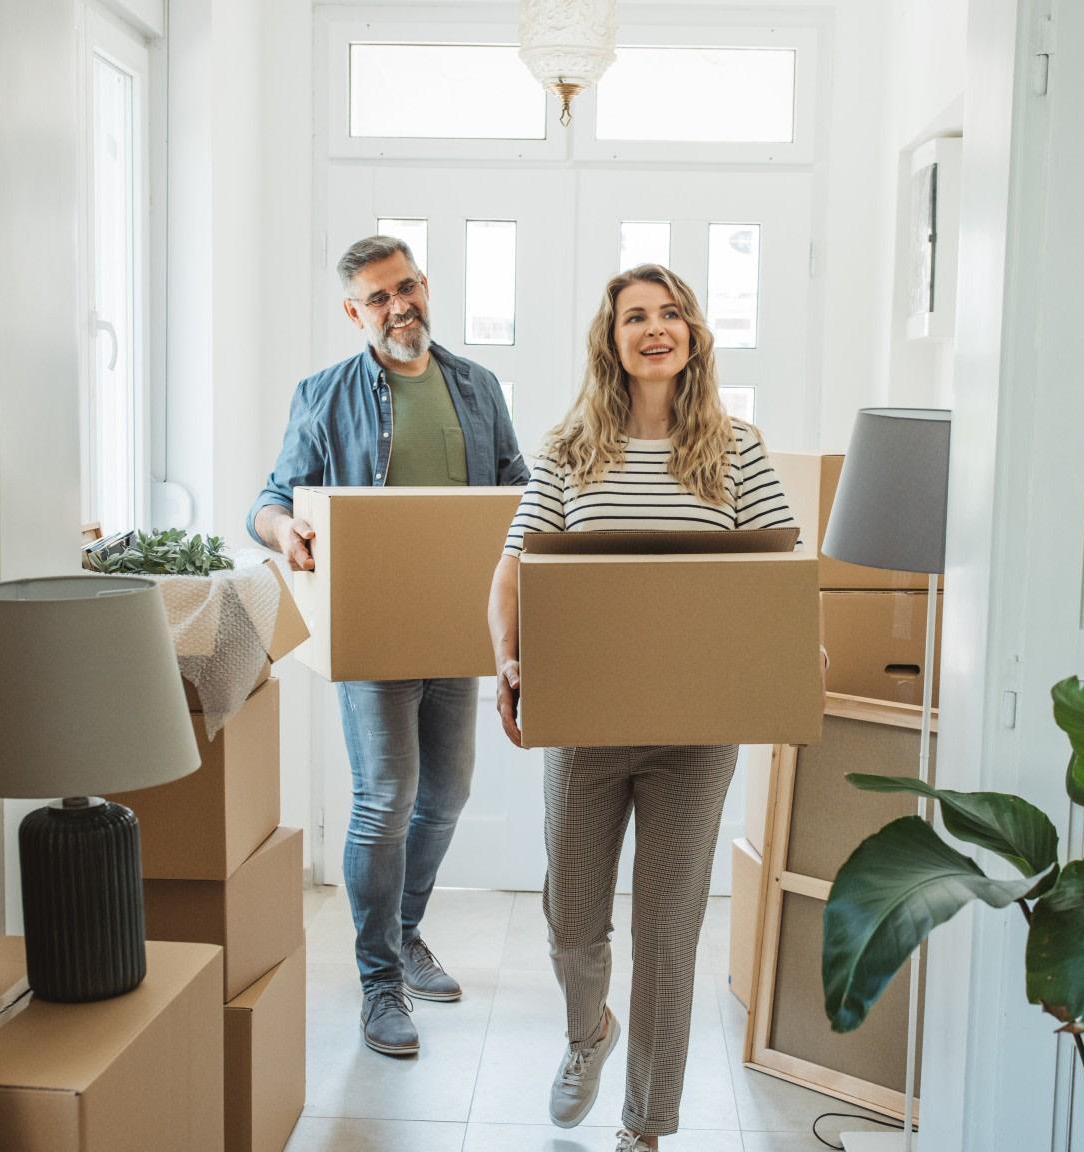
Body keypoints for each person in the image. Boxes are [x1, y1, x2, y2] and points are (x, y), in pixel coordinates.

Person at [485, 264, 796, 1151]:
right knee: (571, 918)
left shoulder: (736, 448)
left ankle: (645, 1129)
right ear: (610, 339)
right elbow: (511, 571)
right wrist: (505, 659)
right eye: (634, 317)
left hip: (696, 735)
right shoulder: (569, 449)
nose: (653, 329)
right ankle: (589, 1034)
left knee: (668, 934)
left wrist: (790, 650)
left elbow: (780, 571)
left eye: (670, 314)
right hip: (586, 726)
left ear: (693, 334)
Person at [249, 235, 529, 1057]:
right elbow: (268, 498)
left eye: (406, 287)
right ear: (354, 312)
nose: (399, 305)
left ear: (426, 286)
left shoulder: (476, 387)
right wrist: (285, 527)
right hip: (371, 633)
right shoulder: (323, 393)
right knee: (386, 798)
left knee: (448, 791)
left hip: (457, 625)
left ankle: (405, 933)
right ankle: (378, 982)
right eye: (379, 297)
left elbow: (517, 485)